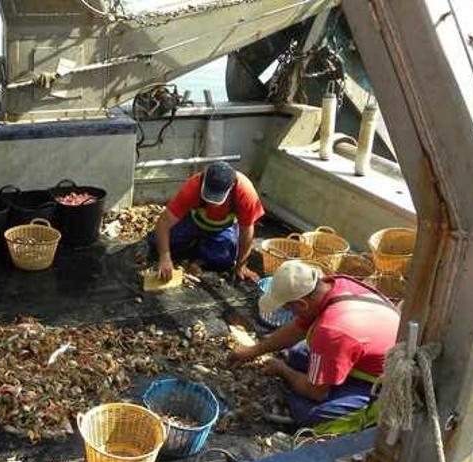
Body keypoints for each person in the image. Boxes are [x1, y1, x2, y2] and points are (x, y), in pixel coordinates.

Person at [229, 261, 399, 427]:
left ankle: (366, 411)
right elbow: (297, 328)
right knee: (297, 353)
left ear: (301, 304)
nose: (291, 313)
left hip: (385, 381)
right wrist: (252, 351)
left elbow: (317, 392)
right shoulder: (335, 284)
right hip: (361, 350)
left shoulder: (332, 330)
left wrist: (283, 370)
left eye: (289, 309)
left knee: (305, 410)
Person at [150, 161, 265, 282]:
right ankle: (195, 245)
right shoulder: (193, 186)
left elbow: (247, 231)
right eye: (208, 197)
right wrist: (165, 257)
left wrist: (241, 265)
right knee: (157, 243)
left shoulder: (245, 193)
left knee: (223, 259)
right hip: (193, 222)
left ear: (231, 187)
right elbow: (163, 223)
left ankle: (199, 256)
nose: (211, 204)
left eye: (216, 199)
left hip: (222, 228)